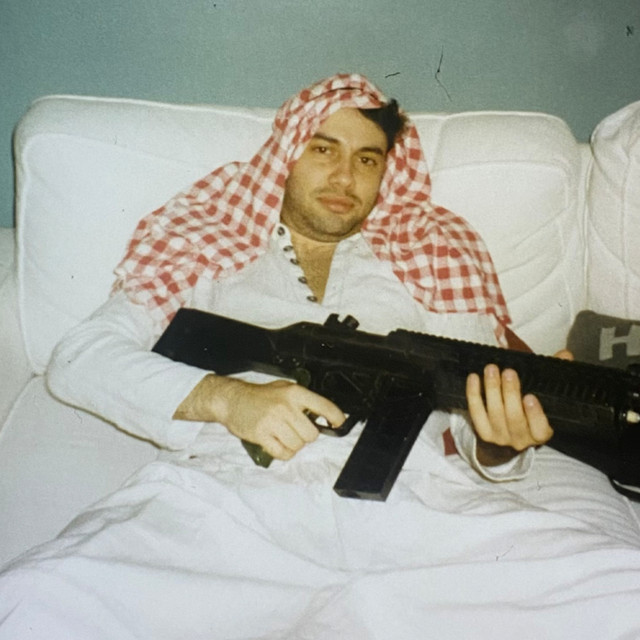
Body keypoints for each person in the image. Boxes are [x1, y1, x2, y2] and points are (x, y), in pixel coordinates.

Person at [0, 74, 639, 639]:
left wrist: (499, 444)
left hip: (423, 509)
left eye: (367, 159)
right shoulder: (207, 245)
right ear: (285, 154)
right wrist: (230, 399)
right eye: (323, 149)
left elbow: (476, 422)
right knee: (35, 601)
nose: (344, 177)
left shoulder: (432, 257)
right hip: (228, 501)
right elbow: (80, 358)